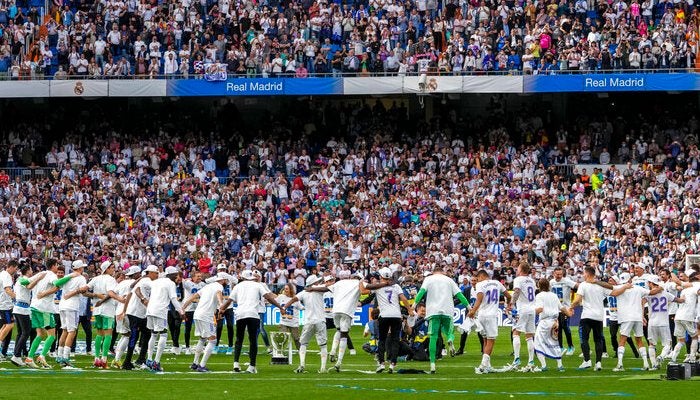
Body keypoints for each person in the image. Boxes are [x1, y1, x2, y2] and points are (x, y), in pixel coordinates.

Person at [219, 269, 285, 374]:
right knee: (253, 340)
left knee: (239, 339)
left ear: (243, 277)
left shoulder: (238, 286)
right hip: (253, 314)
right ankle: (252, 365)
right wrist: (279, 307)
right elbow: (268, 297)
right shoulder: (258, 285)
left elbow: (229, 300)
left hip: (240, 314)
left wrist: (221, 309)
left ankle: (236, 363)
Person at [569, 266, 629, 371]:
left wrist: (571, 307)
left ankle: (587, 361)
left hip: (586, 316)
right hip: (598, 317)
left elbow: (577, 300)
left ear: (587, 274)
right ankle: (598, 363)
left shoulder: (583, 285)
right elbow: (615, 293)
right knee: (598, 340)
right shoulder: (600, 285)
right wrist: (625, 287)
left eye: (584, 273)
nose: (583, 275)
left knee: (584, 339)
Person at [414, 265, 470, 374]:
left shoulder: (428, 279)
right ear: (442, 272)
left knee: (433, 336)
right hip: (447, 310)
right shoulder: (449, 280)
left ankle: (433, 364)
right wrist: (469, 307)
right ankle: (450, 339)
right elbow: (460, 295)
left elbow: (421, 292)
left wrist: (413, 305)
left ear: (433, 272)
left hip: (433, 311)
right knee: (449, 330)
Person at [306, 270, 363, 372]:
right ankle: (339, 362)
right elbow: (367, 290)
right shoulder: (357, 283)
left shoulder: (338, 284)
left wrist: (311, 288)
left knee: (338, 330)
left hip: (334, 312)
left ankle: (333, 351)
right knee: (344, 334)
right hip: (345, 311)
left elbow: (324, 288)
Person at [26, 259, 78, 369]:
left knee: (40, 334)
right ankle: (42, 356)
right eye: (57, 265)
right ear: (53, 266)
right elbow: (58, 283)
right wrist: (71, 276)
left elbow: (26, 282)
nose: (57, 267)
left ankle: (30, 358)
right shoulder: (52, 275)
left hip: (34, 305)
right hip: (44, 308)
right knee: (52, 335)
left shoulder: (41, 273)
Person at [362, 267, 415, 373]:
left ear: (381, 276)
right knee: (395, 340)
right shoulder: (396, 286)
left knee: (382, 339)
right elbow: (403, 298)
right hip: (396, 315)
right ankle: (392, 364)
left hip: (384, 316)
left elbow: (364, 289)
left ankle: (381, 363)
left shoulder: (378, 287)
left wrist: (363, 281)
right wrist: (409, 310)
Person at [181, 272, 230, 372]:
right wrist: (221, 304)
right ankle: (202, 365)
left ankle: (195, 363)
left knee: (202, 338)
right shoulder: (219, 286)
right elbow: (218, 293)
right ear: (222, 280)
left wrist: (184, 306)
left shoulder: (207, 287)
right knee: (212, 341)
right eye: (225, 280)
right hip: (206, 315)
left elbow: (194, 296)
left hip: (197, 314)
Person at [611, 272, 660, 372]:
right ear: (630, 280)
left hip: (626, 317)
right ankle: (646, 363)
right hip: (637, 317)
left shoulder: (618, 288)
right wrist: (661, 286)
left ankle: (620, 364)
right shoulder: (638, 288)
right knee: (639, 340)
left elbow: (609, 290)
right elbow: (652, 292)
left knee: (622, 340)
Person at [282, 275, 329, 373]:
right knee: (323, 345)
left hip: (309, 321)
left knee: (303, 343)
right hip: (320, 320)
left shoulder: (304, 293)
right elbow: (327, 287)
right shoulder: (319, 290)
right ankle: (323, 368)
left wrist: (284, 307)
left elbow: (293, 299)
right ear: (314, 283)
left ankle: (302, 365)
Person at [469, 269, 510, 374]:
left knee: (485, 340)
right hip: (492, 316)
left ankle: (487, 366)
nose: (477, 281)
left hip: (482, 315)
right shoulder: (497, 283)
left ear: (481, 277)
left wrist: (473, 311)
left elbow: (479, 299)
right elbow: (508, 296)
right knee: (491, 340)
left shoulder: (480, 285)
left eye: (477, 279)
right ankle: (483, 366)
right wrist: (508, 305)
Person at [145, 266, 185, 372]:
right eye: (176, 275)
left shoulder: (157, 281)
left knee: (153, 334)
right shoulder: (170, 283)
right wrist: (181, 311)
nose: (177, 277)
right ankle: (156, 362)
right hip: (160, 311)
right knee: (163, 335)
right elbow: (173, 299)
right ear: (173, 275)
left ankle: (149, 359)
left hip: (150, 310)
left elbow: (144, 286)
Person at [81, 260, 119, 369]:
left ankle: (96, 358)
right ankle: (104, 359)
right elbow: (110, 294)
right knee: (108, 335)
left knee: (99, 334)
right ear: (106, 269)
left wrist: (95, 295)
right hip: (108, 309)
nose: (113, 269)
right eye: (112, 267)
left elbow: (84, 291)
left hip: (97, 310)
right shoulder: (111, 279)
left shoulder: (96, 279)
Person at [122, 264, 159, 370]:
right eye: (155, 273)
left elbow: (133, 290)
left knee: (147, 334)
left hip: (141, 313)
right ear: (150, 273)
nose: (157, 275)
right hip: (135, 313)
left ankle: (141, 359)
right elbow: (137, 290)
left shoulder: (145, 280)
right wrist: (143, 299)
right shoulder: (146, 281)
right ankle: (127, 362)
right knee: (134, 336)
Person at [644, 275, 682, 370]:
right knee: (668, 344)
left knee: (651, 344)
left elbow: (641, 303)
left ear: (651, 283)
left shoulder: (648, 294)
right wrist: (685, 298)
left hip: (652, 322)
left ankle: (654, 365)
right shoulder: (666, 294)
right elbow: (679, 300)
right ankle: (661, 356)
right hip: (664, 322)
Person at [534, 278, 572, 371]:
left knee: (537, 343)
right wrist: (568, 314)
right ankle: (560, 366)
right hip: (555, 322)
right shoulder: (554, 295)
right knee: (555, 343)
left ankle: (543, 366)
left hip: (544, 322)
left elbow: (540, 309)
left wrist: (530, 311)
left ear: (539, 286)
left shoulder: (539, 296)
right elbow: (562, 308)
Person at [56, 260, 87, 368]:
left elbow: (57, 283)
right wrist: (76, 292)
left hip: (62, 305)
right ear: (79, 268)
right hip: (72, 306)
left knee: (64, 330)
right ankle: (65, 357)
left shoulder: (68, 276)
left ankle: (59, 355)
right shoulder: (81, 278)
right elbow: (83, 289)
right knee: (72, 331)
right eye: (82, 267)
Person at [11, 264, 45, 367]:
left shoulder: (22, 279)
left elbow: (29, 284)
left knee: (21, 332)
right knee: (26, 332)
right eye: (30, 270)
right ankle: (16, 355)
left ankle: (17, 355)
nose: (32, 271)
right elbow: (29, 285)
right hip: (22, 309)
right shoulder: (22, 279)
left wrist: (38, 277)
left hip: (19, 308)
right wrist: (39, 277)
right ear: (27, 271)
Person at [507, 262, 537, 371]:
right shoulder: (532, 281)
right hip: (532, 309)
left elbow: (517, 291)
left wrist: (511, 303)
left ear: (521, 269)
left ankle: (517, 359)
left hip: (522, 309)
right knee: (529, 336)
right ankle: (531, 361)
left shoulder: (518, 280)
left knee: (516, 332)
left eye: (518, 268)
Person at [111, 266, 142, 368]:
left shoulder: (122, 282)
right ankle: (117, 359)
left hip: (118, 310)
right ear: (136, 274)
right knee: (128, 336)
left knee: (124, 335)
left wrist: (119, 299)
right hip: (128, 311)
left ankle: (116, 359)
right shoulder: (137, 283)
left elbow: (111, 293)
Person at [322, 275, 356, 361]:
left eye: (331, 280)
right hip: (328, 315)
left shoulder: (337, 288)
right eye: (328, 281)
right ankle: (325, 348)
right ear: (325, 282)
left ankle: (350, 348)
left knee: (343, 332)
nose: (330, 282)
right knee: (324, 331)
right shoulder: (325, 291)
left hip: (335, 312)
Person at [669, 272, 698, 363]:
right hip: (687, 316)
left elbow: (681, 301)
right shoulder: (695, 287)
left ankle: (673, 359)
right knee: (695, 337)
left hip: (678, 316)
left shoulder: (684, 290)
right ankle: (692, 357)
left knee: (681, 340)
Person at [549, 267, 577, 355]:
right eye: (557, 274)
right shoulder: (551, 282)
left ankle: (571, 346)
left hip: (565, 308)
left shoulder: (567, 281)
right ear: (554, 274)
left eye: (560, 274)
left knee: (565, 327)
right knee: (558, 329)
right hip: (556, 309)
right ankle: (560, 347)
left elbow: (577, 286)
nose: (559, 276)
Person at [182, 271, 205, 354]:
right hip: (189, 309)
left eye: (200, 276)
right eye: (197, 276)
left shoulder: (203, 284)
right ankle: (187, 347)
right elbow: (180, 279)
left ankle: (203, 346)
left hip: (199, 309)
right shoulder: (187, 283)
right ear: (192, 277)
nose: (199, 277)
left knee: (202, 328)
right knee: (188, 328)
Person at [0, 260, 19, 360]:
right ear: (11, 267)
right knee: (10, 325)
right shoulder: (6, 275)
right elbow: (8, 290)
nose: (15, 271)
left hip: (3, 303)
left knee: (4, 325)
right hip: (5, 305)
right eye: (15, 269)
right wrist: (17, 298)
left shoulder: (2, 274)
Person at [215, 264, 235, 354]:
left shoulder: (230, 280)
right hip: (219, 307)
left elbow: (237, 280)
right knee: (218, 327)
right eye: (220, 270)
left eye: (224, 269)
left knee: (230, 326)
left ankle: (230, 346)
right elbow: (207, 280)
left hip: (229, 307)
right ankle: (216, 345)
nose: (222, 271)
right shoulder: (215, 281)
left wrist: (227, 276)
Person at [277, 283, 301, 350]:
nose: (285, 290)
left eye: (287, 289)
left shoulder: (295, 299)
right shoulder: (281, 297)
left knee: (296, 339)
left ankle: (301, 351)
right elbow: (274, 301)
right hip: (283, 322)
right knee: (281, 337)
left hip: (293, 322)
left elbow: (301, 307)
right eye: (284, 289)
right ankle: (279, 351)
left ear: (291, 289)